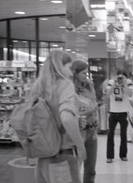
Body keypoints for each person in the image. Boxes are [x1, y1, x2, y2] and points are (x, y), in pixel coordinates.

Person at [32, 50, 86, 183]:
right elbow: (66, 118)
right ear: (60, 66)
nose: (71, 72)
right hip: (63, 154)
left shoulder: (38, 87)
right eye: (69, 67)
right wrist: (80, 146)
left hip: (42, 155)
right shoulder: (65, 85)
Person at [71, 60, 98, 183]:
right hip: (78, 132)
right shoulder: (69, 89)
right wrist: (88, 111)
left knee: (91, 169)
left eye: (87, 73)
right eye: (83, 73)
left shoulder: (89, 85)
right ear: (75, 73)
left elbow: (94, 104)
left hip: (92, 130)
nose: (85, 76)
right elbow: (70, 115)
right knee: (76, 168)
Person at [106, 69, 133, 163]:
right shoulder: (111, 82)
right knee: (110, 134)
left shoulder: (128, 82)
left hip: (124, 111)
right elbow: (107, 94)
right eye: (119, 76)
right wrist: (114, 83)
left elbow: (130, 94)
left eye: (122, 77)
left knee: (123, 134)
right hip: (113, 111)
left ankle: (123, 155)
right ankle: (109, 156)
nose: (120, 78)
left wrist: (125, 83)